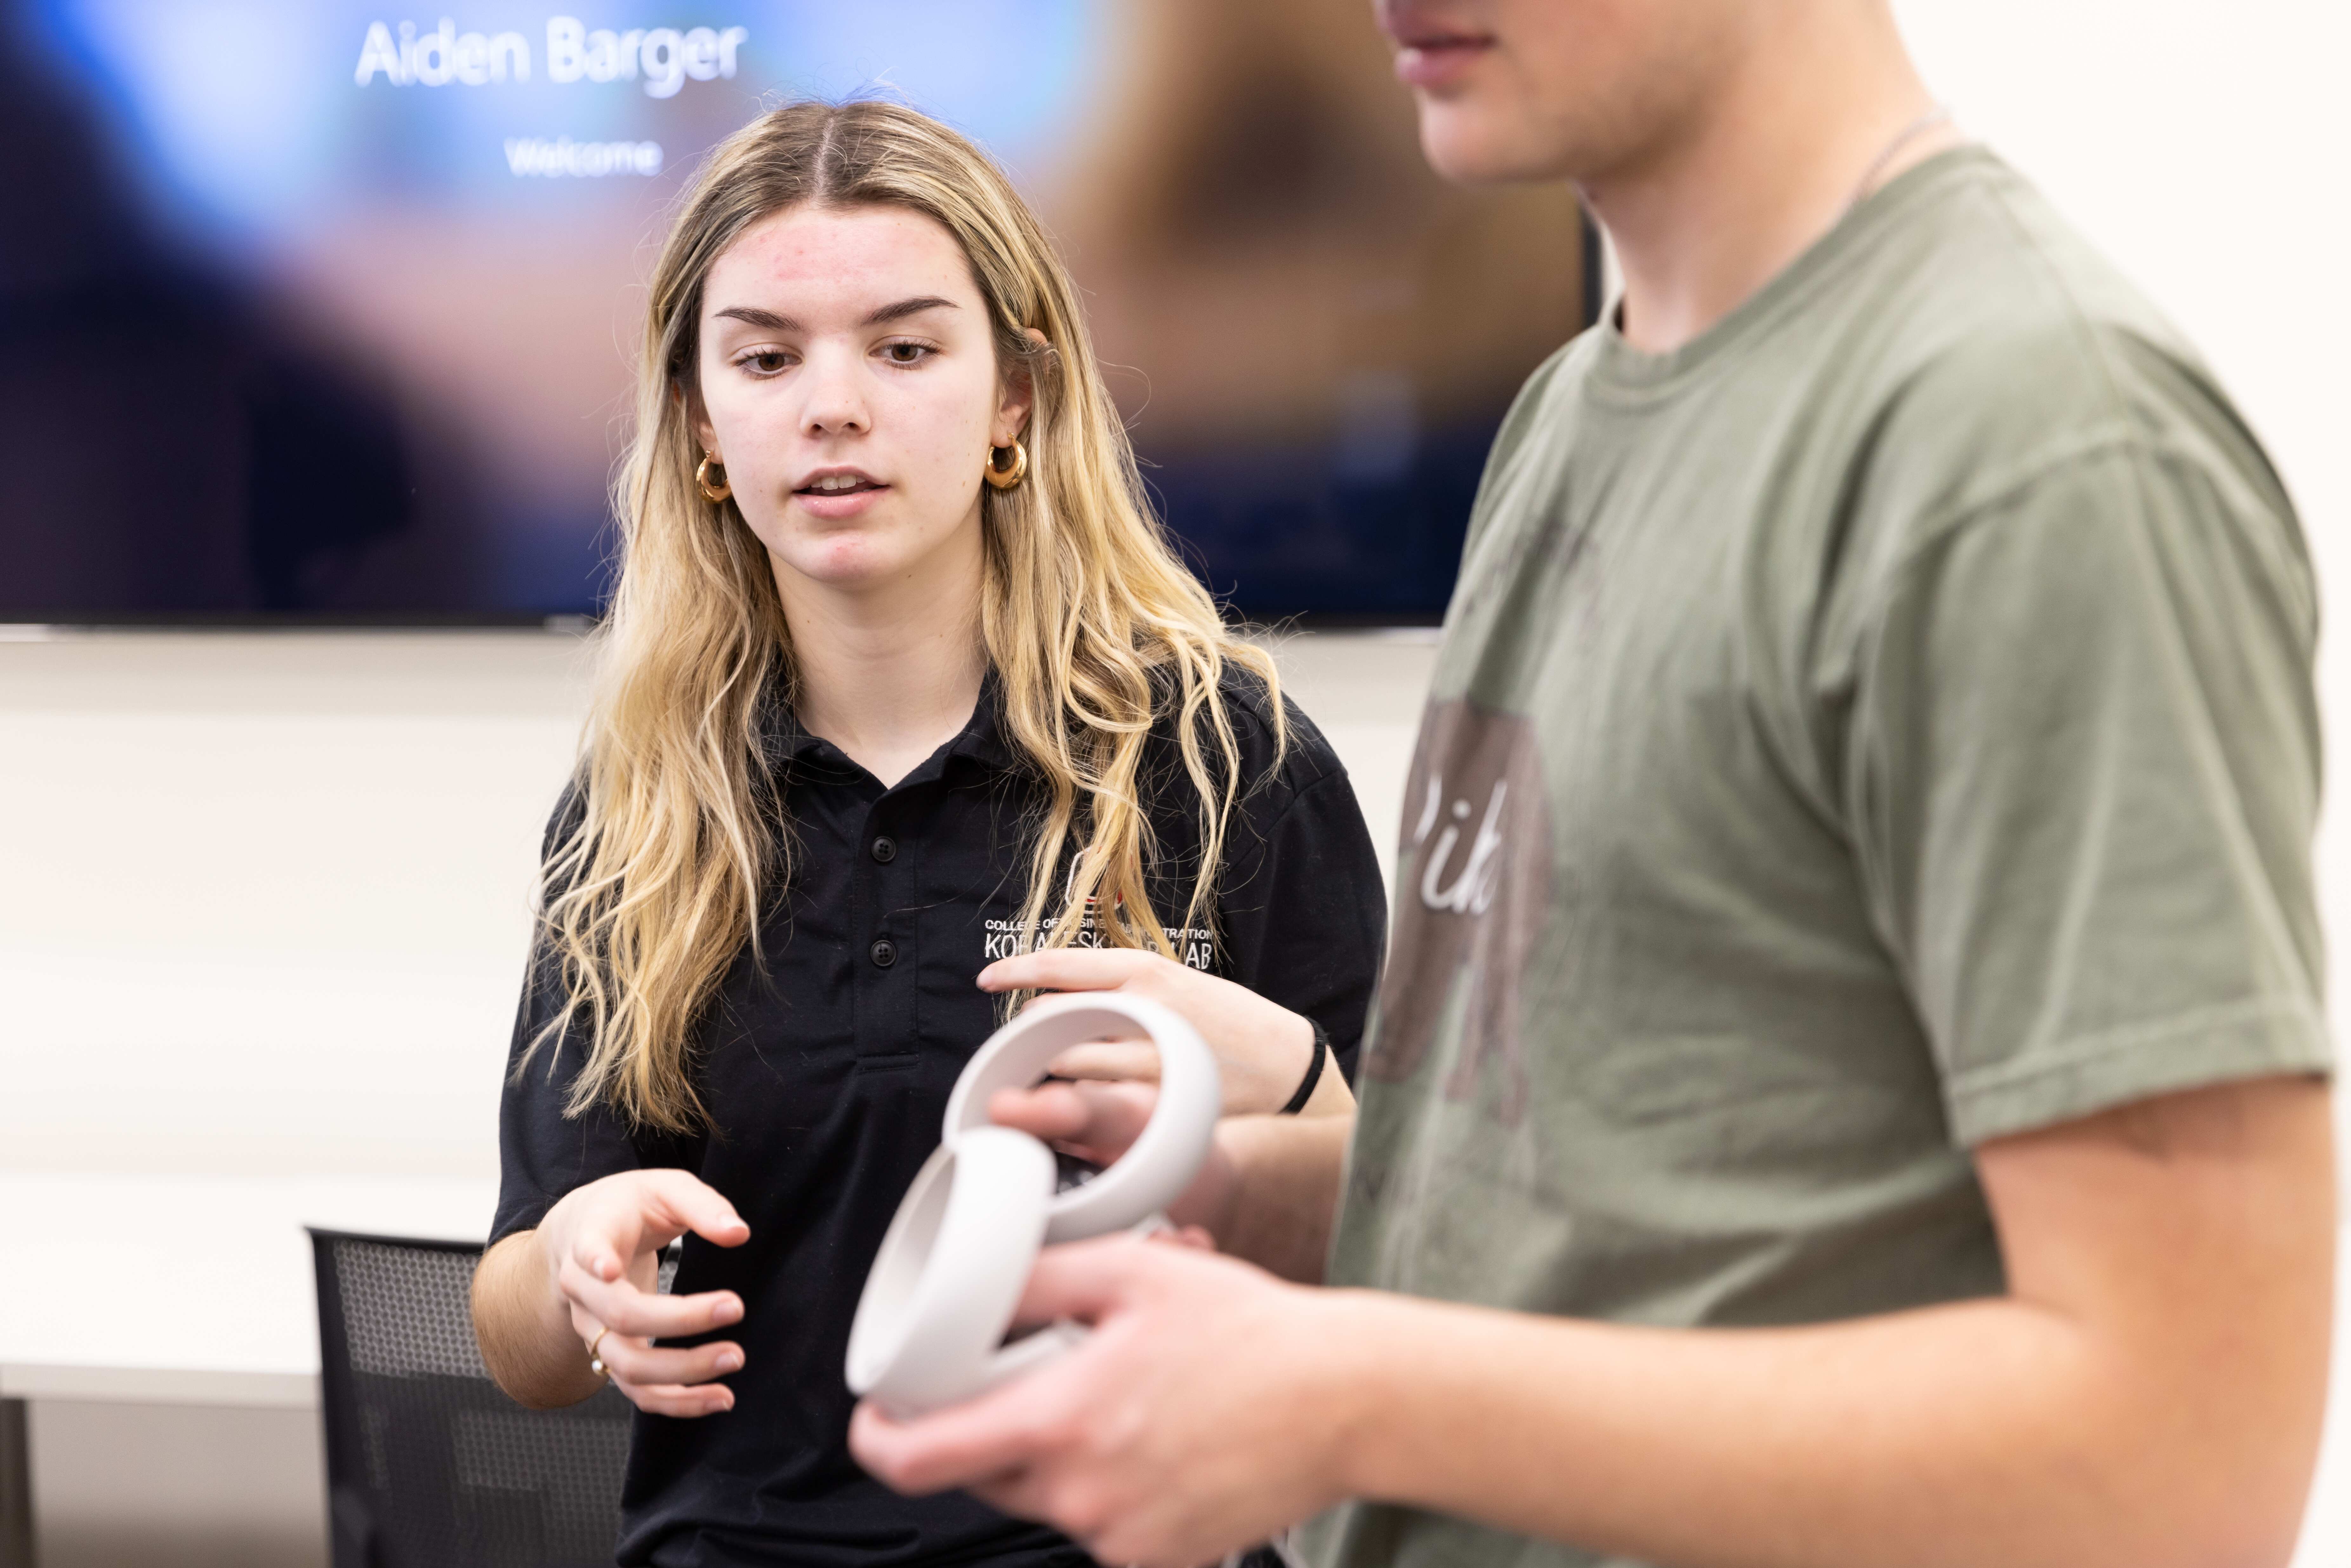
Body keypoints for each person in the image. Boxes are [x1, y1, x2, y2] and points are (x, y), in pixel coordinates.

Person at [847, 4, 2339, 1568]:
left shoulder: (2030, 448)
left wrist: (1354, 1396)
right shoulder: (1570, 417)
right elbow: (1643, 1202)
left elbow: (2186, 1460)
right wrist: (1252, 1199)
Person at [467, 99, 1387, 1568]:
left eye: (905, 349)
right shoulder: (642, 809)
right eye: (766, 359)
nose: (834, 408)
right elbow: (519, 1333)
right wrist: (577, 1277)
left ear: (1014, 397)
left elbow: (1418, 1253)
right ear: (704, 425)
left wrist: (1293, 1080)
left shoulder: (1227, 763)